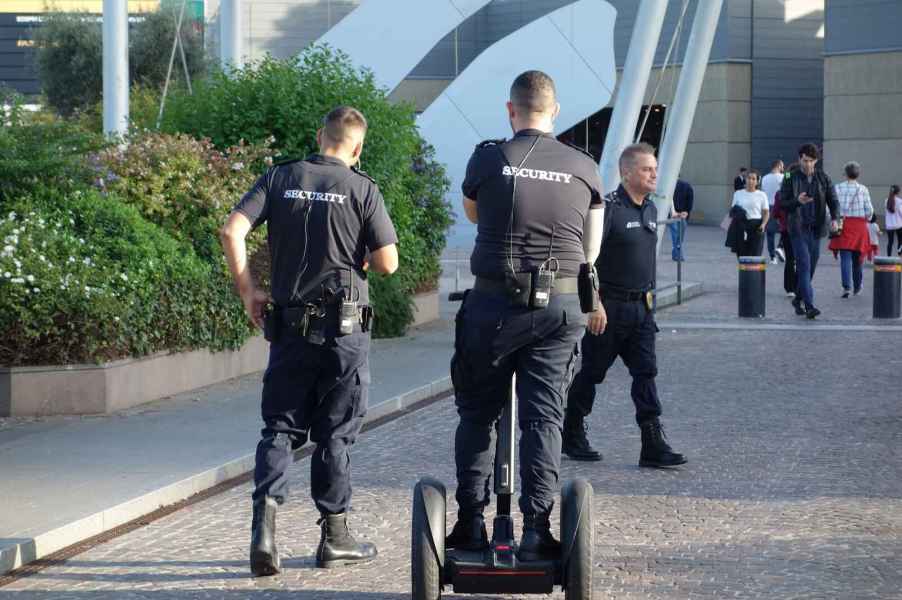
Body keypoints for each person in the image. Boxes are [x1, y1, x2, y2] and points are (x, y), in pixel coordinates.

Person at [220, 106, 399, 576]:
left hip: (290, 327)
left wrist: (248, 291)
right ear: (357, 147)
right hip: (344, 331)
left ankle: (265, 534)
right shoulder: (363, 189)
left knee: (279, 428)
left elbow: (232, 229)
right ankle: (334, 537)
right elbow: (388, 263)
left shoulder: (281, 177)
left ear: (320, 136)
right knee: (335, 433)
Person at [447, 70, 606, 561]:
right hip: (559, 308)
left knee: (478, 415)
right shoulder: (585, 166)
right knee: (543, 418)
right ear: (555, 112)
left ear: (510, 110)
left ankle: (471, 523)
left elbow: (473, 213)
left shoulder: (489, 156)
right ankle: (538, 528)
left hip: (494, 305)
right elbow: (590, 251)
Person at [562, 143, 687, 469]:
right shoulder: (609, 211)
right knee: (592, 373)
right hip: (609, 311)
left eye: (655, 169)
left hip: (641, 311)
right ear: (627, 172)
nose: (654, 175)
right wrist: (593, 304)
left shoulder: (650, 210)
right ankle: (571, 431)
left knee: (646, 373)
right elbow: (585, 259)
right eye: (647, 169)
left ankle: (652, 443)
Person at [780, 143, 840, 319]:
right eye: (805, 161)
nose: (808, 164)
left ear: (816, 161)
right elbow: (783, 203)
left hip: (816, 229)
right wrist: (797, 201)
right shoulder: (790, 176)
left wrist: (835, 219)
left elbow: (833, 200)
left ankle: (798, 299)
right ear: (799, 159)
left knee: (811, 268)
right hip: (797, 229)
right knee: (804, 265)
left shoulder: (823, 177)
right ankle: (809, 305)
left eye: (811, 161)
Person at [828, 161, 874, 297]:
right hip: (859, 227)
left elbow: (830, 207)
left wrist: (833, 220)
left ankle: (846, 287)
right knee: (858, 258)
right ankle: (858, 286)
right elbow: (869, 211)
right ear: (858, 174)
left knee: (845, 258)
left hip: (843, 225)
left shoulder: (837, 188)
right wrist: (868, 218)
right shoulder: (863, 189)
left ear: (845, 173)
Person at [730, 169, 769, 258]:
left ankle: (754, 273)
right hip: (740, 227)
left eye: (753, 179)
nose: (750, 181)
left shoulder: (762, 195)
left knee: (755, 256)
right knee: (741, 257)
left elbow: (766, 213)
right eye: (748, 178)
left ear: (757, 181)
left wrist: (763, 225)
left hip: (756, 227)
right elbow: (733, 210)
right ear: (745, 179)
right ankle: (744, 272)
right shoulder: (738, 193)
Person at [760, 160, 785, 263]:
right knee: (785, 230)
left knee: (770, 234)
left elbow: (762, 192)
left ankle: (772, 257)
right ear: (779, 166)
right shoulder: (784, 177)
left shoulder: (765, 178)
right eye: (782, 166)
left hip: (768, 207)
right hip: (781, 207)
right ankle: (779, 247)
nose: (783, 168)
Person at [668, 178, 693, 261]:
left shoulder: (667, 185)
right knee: (679, 235)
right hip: (681, 214)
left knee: (676, 235)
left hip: (675, 214)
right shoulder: (687, 186)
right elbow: (690, 199)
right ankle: (678, 255)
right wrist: (686, 211)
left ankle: (676, 253)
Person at [885, 184, 902, 256]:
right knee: (900, 241)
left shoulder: (886, 200)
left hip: (889, 225)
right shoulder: (900, 201)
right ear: (898, 192)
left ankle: (888, 257)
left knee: (890, 242)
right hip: (899, 225)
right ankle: (899, 255)